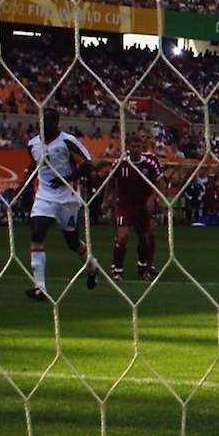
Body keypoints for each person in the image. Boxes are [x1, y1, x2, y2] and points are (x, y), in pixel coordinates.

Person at [24, 107, 99, 301]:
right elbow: (33, 166)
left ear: (57, 122)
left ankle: (92, 266)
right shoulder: (33, 144)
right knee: (37, 234)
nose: (47, 123)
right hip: (45, 197)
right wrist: (24, 187)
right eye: (44, 119)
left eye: (51, 120)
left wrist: (66, 178)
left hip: (68, 198)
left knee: (73, 243)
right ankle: (40, 287)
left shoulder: (68, 142)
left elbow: (88, 166)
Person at [109, 129, 163, 282]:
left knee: (145, 237)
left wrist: (154, 200)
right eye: (133, 146)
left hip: (142, 206)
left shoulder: (151, 163)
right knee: (122, 235)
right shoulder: (121, 162)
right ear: (128, 147)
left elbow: (160, 183)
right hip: (124, 204)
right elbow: (110, 180)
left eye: (138, 146)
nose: (136, 149)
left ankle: (144, 267)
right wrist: (107, 199)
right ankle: (117, 269)